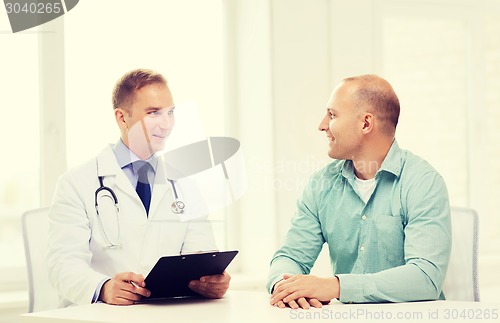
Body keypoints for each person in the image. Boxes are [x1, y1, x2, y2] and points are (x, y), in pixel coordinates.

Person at [47, 68, 230, 307]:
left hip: (165, 314)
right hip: (101, 316)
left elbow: (200, 252)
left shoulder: (185, 184)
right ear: (122, 118)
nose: (166, 124)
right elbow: (62, 263)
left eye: (170, 112)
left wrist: (211, 281)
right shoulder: (76, 183)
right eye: (154, 113)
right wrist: (103, 288)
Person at [267, 74, 452, 308]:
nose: (322, 125)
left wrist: (336, 286)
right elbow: (290, 257)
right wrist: (283, 286)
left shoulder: (422, 182)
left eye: (332, 115)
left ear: (365, 123)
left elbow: (426, 278)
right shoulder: (322, 184)